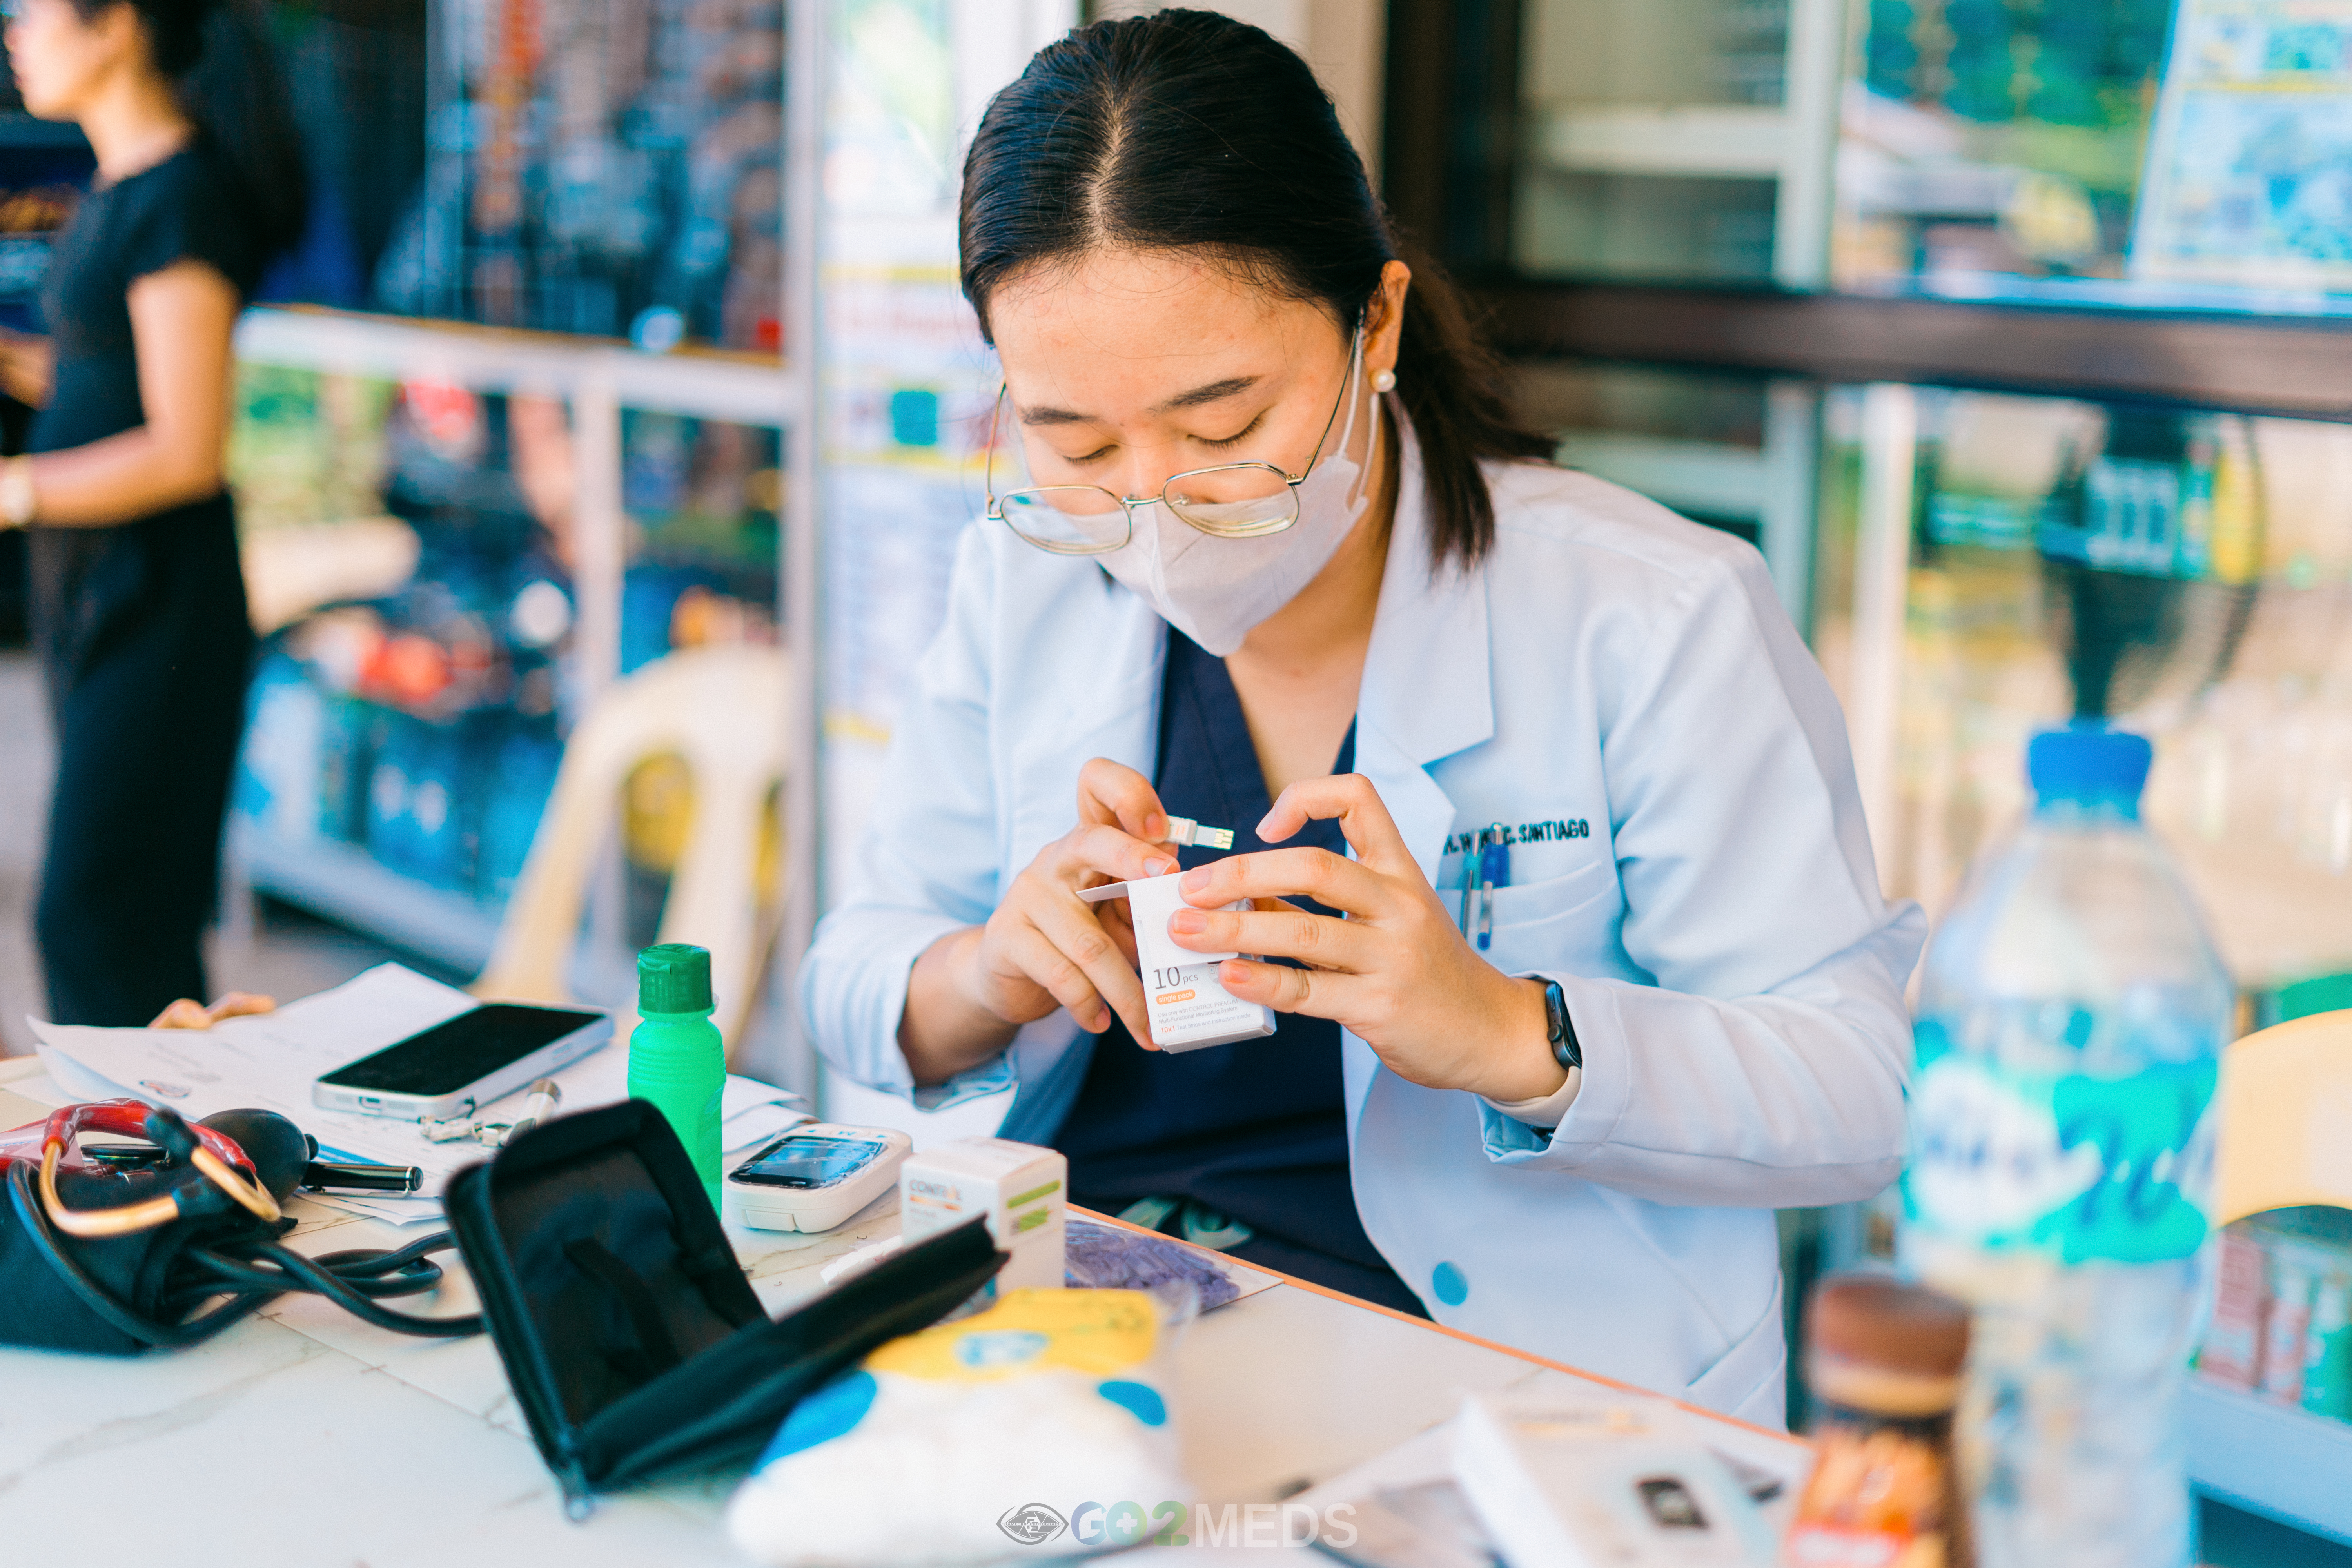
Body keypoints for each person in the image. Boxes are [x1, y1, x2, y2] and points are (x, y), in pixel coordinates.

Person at [802, 9, 1923, 1425]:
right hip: (1084, 1337)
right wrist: (990, 973)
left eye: (1223, 430)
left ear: (1374, 324)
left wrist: (1508, 1031)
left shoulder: (1652, 615)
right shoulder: (1022, 581)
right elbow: (849, 979)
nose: (1155, 504)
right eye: (1074, 441)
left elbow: (1856, 1094)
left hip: (1492, 1390)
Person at [0, 0, 306, 1024]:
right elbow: (105, 381)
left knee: (97, 915)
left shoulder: (179, 199)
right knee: (117, 914)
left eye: (32, 9)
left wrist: (18, 489)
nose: (14, 31)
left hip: (160, 601)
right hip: (101, 595)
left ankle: (154, 1124)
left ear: (115, 25)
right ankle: (154, 1120)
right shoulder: (121, 190)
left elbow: (185, 446)